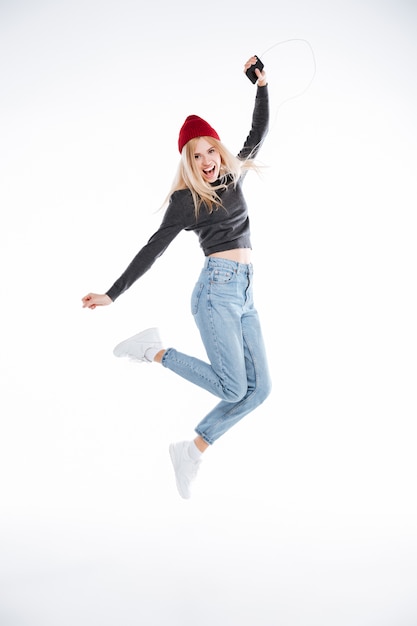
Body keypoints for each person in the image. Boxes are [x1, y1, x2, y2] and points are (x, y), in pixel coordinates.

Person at [82, 56, 272, 499]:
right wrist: (113, 294)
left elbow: (258, 132)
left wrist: (261, 86)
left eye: (210, 150)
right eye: (196, 155)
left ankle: (192, 450)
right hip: (216, 292)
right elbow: (153, 247)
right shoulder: (186, 200)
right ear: (187, 161)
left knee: (259, 389)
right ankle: (153, 350)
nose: (206, 161)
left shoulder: (233, 176)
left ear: (218, 149)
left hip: (244, 291)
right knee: (233, 386)